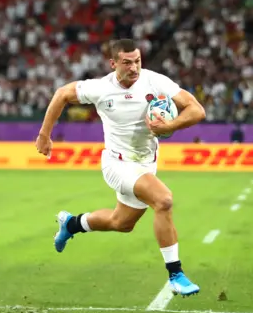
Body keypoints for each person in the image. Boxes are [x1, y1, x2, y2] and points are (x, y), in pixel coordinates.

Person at [35, 39, 206, 297]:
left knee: (121, 223)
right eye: (127, 62)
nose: (134, 67)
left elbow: (197, 110)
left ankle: (71, 224)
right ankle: (176, 274)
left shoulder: (155, 81)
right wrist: (44, 135)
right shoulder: (101, 88)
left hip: (145, 165)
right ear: (113, 63)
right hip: (117, 164)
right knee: (164, 200)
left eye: (137, 61)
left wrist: (170, 126)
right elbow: (62, 94)